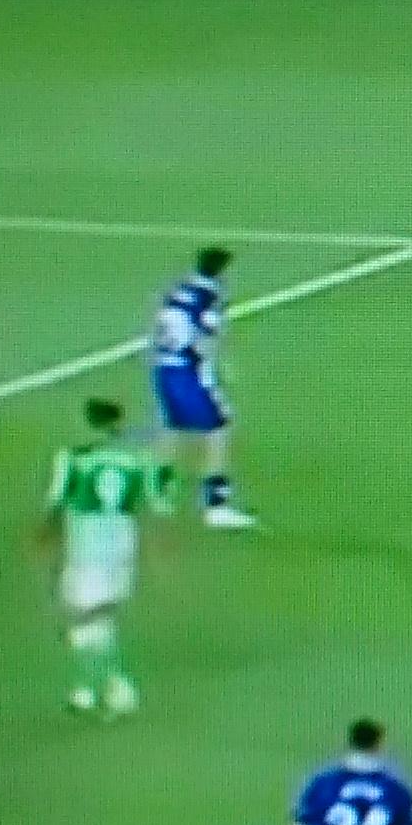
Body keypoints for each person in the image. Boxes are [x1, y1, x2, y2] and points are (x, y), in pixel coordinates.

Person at [36, 397, 175, 715]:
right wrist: (162, 543)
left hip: (86, 548)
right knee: (103, 617)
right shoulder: (138, 460)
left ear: (89, 423)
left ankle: (108, 684)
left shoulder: (72, 458)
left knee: (83, 618)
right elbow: (156, 505)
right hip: (122, 545)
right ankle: (94, 686)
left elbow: (55, 504)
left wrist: (42, 538)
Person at [149, 248, 257, 527]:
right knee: (219, 429)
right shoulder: (209, 296)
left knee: (172, 427)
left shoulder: (180, 289)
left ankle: (159, 492)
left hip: (163, 366)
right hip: (188, 371)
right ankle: (216, 505)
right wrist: (220, 367)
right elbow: (206, 335)